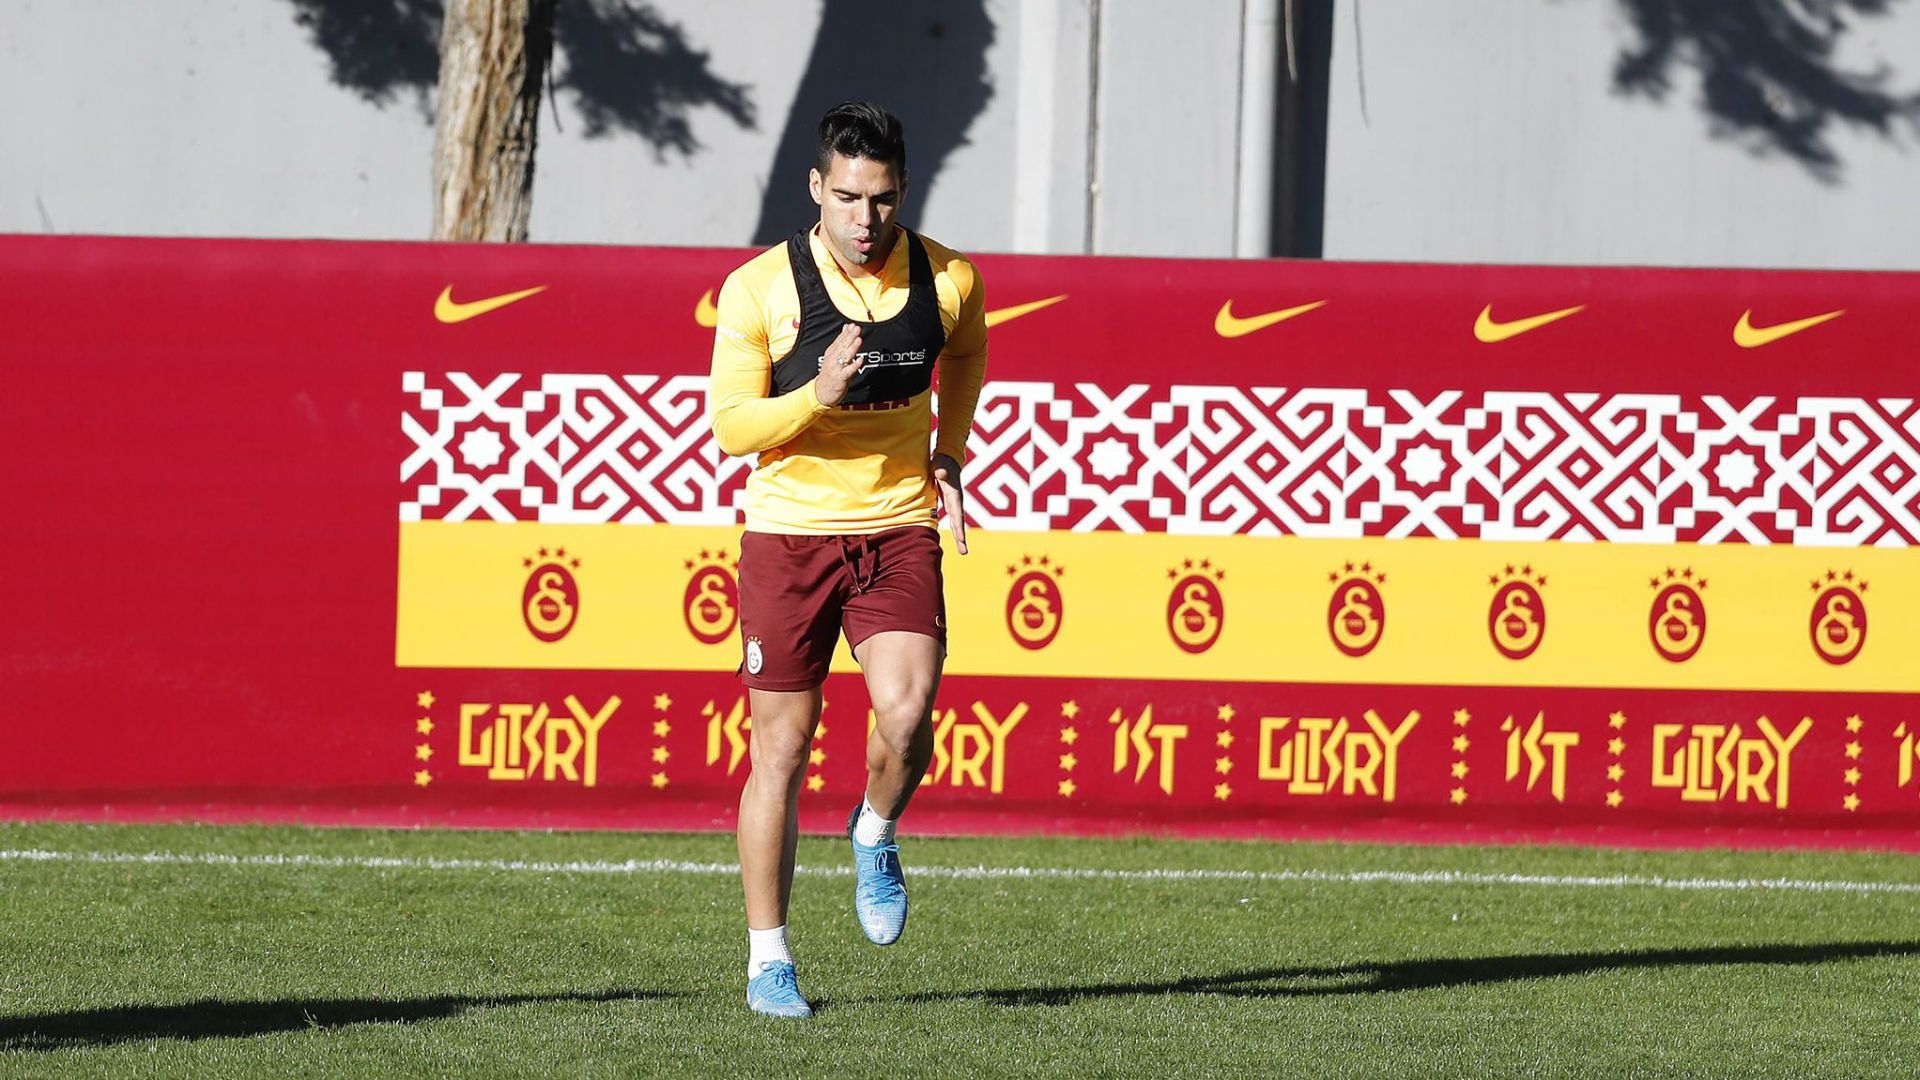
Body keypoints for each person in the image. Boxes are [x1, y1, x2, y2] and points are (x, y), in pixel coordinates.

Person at [706, 101, 988, 1019]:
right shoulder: (758, 289)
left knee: (907, 718)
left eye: (885, 199)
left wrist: (949, 453)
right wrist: (815, 396)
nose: (867, 219)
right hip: (789, 535)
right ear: (817, 189)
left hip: (897, 524)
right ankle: (768, 959)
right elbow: (731, 428)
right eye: (850, 197)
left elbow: (970, 351)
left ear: (903, 190)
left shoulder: (947, 278)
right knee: (779, 751)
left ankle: (874, 831)